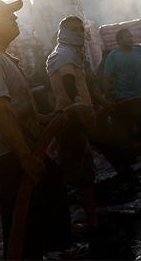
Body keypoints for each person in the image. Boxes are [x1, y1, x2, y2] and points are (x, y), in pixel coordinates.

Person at [0, 0, 89, 259]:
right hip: (5, 154)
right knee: (24, 215)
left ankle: (52, 247)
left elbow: (14, 109)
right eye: (7, 14)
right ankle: (55, 248)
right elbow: (0, 110)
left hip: (11, 150)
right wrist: (25, 156)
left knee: (33, 204)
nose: (14, 18)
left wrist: (43, 119)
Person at [45, 16, 103, 234]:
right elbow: (69, 82)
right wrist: (78, 101)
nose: (79, 32)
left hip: (79, 120)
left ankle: (92, 222)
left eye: (81, 28)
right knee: (73, 176)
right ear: (64, 32)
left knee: (85, 172)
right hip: (71, 120)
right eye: (74, 29)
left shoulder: (71, 54)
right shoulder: (63, 54)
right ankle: (64, 230)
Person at [103, 28, 141, 154]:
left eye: (130, 36)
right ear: (119, 40)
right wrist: (108, 98)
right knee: (127, 129)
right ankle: (131, 155)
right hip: (124, 98)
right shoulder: (113, 56)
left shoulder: (138, 52)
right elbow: (106, 78)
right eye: (127, 37)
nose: (130, 39)